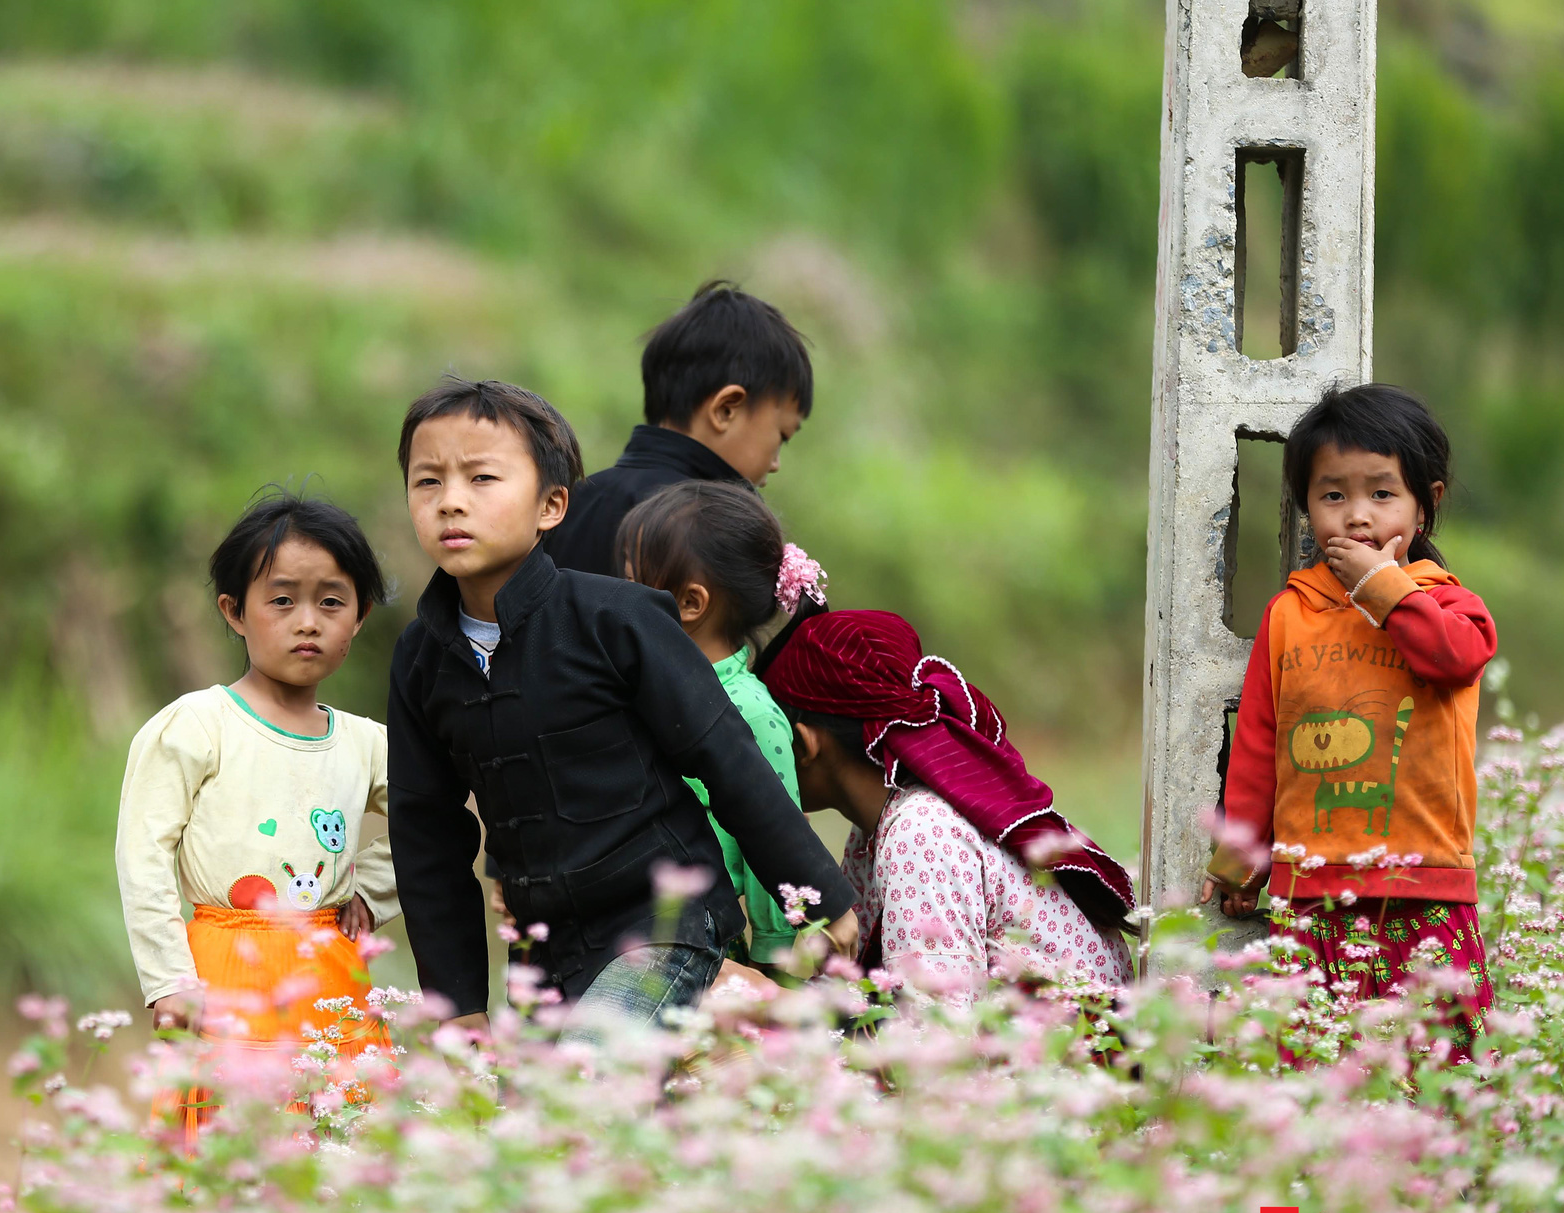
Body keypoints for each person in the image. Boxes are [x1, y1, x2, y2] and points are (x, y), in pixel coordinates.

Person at [386, 377, 856, 1037]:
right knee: (544, 1130)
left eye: (482, 478)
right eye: (427, 481)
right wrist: (459, 1007)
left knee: (587, 1087)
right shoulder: (420, 658)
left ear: (552, 506)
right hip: (546, 950)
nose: (450, 501)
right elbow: (426, 837)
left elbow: (725, 754)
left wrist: (822, 899)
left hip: (666, 923)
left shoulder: (617, 618)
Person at [1202, 384, 1496, 1045]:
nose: (1356, 516)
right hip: (1313, 893)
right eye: (1333, 495)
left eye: (1382, 494)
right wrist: (1240, 860)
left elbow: (1454, 659)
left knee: (1437, 1068)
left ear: (1428, 504)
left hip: (1426, 886)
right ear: (1306, 507)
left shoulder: (1451, 606)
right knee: (1318, 1066)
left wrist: (1384, 587)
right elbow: (1257, 744)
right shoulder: (1290, 614)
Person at [115, 488, 398, 1126]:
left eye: (332, 601)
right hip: (223, 969)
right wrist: (170, 982)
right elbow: (144, 853)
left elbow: (435, 819)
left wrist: (373, 892)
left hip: (331, 974)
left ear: (360, 615)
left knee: (338, 1144)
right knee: (228, 1148)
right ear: (235, 611)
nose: (308, 621)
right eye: (281, 600)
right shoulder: (196, 725)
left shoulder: (366, 744)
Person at [757, 595, 1136, 1002]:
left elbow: (934, 1037)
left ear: (804, 743)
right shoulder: (879, 827)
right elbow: (850, 990)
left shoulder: (920, 832)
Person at [612, 480, 809, 968]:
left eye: (631, 582)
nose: (614, 595)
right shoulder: (633, 687)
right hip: (613, 931)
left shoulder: (751, 711)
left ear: (690, 604)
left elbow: (774, 841)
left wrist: (773, 964)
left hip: (698, 952)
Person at [544, 280, 812, 578]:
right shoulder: (705, 530)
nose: (775, 465)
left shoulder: (568, 502)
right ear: (726, 409)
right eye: (782, 437)